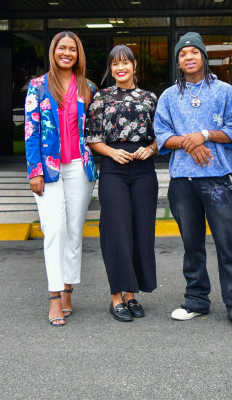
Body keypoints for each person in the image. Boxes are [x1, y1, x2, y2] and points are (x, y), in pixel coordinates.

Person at [154, 32, 232, 331]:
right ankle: (196, 301)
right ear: (178, 62)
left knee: (227, 245)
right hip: (183, 181)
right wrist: (189, 142)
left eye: (193, 52)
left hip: (217, 179)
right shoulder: (170, 96)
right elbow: (162, 135)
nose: (188, 57)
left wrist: (206, 135)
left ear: (203, 57)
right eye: (182, 54)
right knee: (192, 244)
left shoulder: (224, 92)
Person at [25, 31, 98, 327]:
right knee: (54, 230)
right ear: (53, 51)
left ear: (78, 54)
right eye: (61, 48)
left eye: (72, 49)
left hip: (81, 168)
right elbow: (30, 131)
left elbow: (95, 129)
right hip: (50, 169)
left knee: (73, 231)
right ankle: (54, 295)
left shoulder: (89, 87)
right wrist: (35, 171)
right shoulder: (38, 86)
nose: (66, 53)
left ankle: (68, 288)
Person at [85, 45, 159, 322]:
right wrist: (112, 152)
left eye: (125, 62)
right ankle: (116, 296)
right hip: (114, 170)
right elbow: (91, 137)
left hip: (144, 170)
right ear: (111, 68)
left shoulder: (150, 97)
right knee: (116, 232)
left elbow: (160, 136)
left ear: (134, 65)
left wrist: (149, 149)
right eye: (115, 64)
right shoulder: (101, 97)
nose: (120, 68)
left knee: (141, 232)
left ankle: (132, 294)